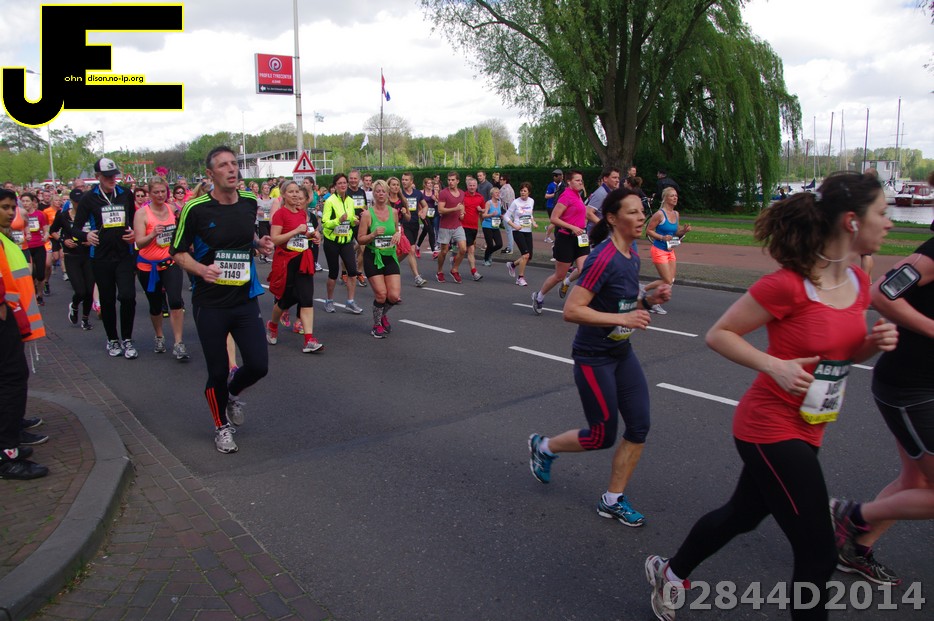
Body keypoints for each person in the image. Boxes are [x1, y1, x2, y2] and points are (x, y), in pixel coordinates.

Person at [645, 172, 897, 621]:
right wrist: (774, 365)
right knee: (819, 555)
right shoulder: (788, 285)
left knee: (742, 515)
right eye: (882, 212)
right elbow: (719, 334)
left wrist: (871, 346)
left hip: (812, 423)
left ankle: (672, 572)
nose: (890, 222)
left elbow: (841, 355)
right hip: (770, 427)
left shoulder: (859, 283)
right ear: (852, 221)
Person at [528, 188, 672, 528]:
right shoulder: (602, 258)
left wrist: (647, 301)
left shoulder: (631, 253)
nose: (641, 217)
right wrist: (624, 318)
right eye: (633, 212)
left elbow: (620, 302)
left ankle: (612, 500)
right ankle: (544, 447)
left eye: (641, 211)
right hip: (594, 357)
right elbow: (572, 310)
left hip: (621, 352)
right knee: (601, 436)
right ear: (612, 218)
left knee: (639, 425)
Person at [829, 223, 934, 586]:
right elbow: (882, 293)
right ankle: (852, 514)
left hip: (923, 383)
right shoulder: (931, 254)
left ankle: (855, 549)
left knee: (915, 480)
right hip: (912, 387)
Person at [170, 146, 273, 454]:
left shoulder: (249, 201)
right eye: (223, 165)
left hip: (244, 298)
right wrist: (201, 270)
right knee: (216, 371)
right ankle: (221, 426)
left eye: (234, 163)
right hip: (210, 302)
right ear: (210, 174)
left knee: (258, 365)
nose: (231, 169)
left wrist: (258, 243)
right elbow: (177, 253)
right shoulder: (196, 208)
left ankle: (231, 393)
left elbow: (243, 237)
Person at [0, 187, 48, 479]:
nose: (11, 212)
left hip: (12, 317)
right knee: (12, 379)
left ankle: (11, 438)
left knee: (13, 378)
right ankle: (7, 454)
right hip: (5, 317)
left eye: (12, 207)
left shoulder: (4, 238)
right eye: (5, 207)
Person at [72, 158, 139, 359]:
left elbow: (135, 219)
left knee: (128, 296)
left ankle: (127, 338)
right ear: (98, 176)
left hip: (124, 254)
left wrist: (135, 233)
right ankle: (112, 339)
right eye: (108, 176)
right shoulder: (88, 198)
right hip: (101, 257)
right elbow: (75, 228)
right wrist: (86, 236)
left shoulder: (125, 193)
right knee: (107, 300)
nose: (112, 179)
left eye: (114, 175)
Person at [133, 176, 189, 360]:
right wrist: (152, 235)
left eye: (163, 191)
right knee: (155, 305)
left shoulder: (172, 209)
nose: (160, 195)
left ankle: (178, 342)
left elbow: (182, 228)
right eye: (156, 192)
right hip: (148, 267)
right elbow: (139, 243)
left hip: (170, 262)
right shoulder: (142, 214)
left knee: (175, 301)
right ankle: (159, 336)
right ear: (149, 194)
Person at [264, 180, 323, 353]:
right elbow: (275, 239)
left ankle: (309, 340)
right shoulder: (280, 214)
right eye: (291, 192)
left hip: (303, 259)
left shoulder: (302, 213)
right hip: (286, 261)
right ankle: (273, 325)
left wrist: (313, 235)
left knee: (306, 298)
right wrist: (295, 231)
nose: (295, 195)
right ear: (283, 195)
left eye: (297, 191)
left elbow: (303, 234)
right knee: (285, 299)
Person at [531, 171, 599, 315]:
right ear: (569, 182)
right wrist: (572, 227)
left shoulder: (578, 195)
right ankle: (539, 296)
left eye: (581, 180)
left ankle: (581, 300)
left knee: (584, 270)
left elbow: (581, 214)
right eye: (577, 180)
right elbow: (554, 219)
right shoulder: (566, 196)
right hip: (566, 238)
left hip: (580, 238)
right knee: (559, 275)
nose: (581, 182)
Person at [558, 167, 622, 298]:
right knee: (590, 267)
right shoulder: (601, 194)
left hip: (607, 235)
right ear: (605, 179)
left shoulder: (611, 193)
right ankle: (584, 295)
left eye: (618, 178)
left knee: (591, 267)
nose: (617, 180)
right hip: (597, 236)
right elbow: (588, 213)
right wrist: (605, 225)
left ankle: (568, 282)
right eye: (614, 177)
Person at [358, 179, 402, 338]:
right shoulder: (367, 214)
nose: (381, 194)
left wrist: (398, 234)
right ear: (374, 194)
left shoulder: (394, 212)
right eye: (378, 191)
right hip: (373, 256)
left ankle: (382, 314)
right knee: (381, 294)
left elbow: (396, 229)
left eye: (383, 191)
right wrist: (373, 234)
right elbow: (360, 239)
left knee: (394, 296)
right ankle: (376, 325)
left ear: (388, 193)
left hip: (390, 255)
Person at [51, 188, 94, 330]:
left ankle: (85, 319)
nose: (78, 204)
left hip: (87, 256)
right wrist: (63, 240)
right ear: (71, 202)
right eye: (76, 202)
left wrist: (91, 240)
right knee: (80, 291)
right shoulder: (63, 216)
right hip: (72, 256)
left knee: (89, 291)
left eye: (81, 201)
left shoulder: (90, 215)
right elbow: (53, 231)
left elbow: (99, 230)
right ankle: (74, 306)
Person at [321, 173, 364, 314]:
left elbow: (350, 218)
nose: (343, 185)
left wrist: (354, 220)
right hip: (332, 241)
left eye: (344, 182)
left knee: (352, 271)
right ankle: (329, 300)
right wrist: (338, 220)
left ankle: (350, 301)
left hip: (346, 240)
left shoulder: (350, 201)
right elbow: (325, 223)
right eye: (339, 183)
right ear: (335, 186)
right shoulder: (330, 201)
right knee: (333, 273)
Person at [644, 187, 691, 315]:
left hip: (670, 250)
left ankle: (651, 298)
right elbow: (648, 231)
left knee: (671, 280)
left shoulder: (676, 214)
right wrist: (662, 237)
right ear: (665, 198)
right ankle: (646, 292)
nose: (675, 198)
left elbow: (675, 233)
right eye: (672, 196)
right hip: (659, 250)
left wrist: (684, 231)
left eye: (676, 196)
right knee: (667, 280)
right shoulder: (659, 214)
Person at [435, 171, 467, 283]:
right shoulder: (444, 193)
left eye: (453, 180)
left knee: (463, 249)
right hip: (445, 226)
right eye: (449, 180)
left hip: (457, 225)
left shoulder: (462, 193)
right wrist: (455, 209)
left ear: (458, 181)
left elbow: (462, 206)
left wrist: (462, 213)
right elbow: (440, 210)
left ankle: (454, 269)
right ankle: (439, 271)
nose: (450, 182)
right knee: (444, 251)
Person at [397, 173, 428, 287]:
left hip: (415, 224)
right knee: (411, 250)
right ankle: (417, 277)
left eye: (406, 180)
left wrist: (423, 212)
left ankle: (391, 265)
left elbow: (425, 205)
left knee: (406, 251)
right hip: (404, 224)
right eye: (402, 179)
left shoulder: (417, 193)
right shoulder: (399, 193)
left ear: (411, 181)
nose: (404, 181)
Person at [20, 192, 50, 306]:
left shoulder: (40, 214)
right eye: (23, 201)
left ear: (33, 202)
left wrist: (46, 236)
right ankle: (33, 295)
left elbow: (46, 229)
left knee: (40, 274)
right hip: (25, 247)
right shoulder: (19, 215)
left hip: (38, 246)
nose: (25, 203)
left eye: (27, 201)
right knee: (31, 274)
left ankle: (40, 294)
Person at [504, 182, 536, 286]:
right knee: (525, 255)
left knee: (529, 257)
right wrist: (514, 225)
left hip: (528, 231)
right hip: (518, 231)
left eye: (525, 191)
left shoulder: (531, 201)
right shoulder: (515, 202)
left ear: (529, 192)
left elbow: (530, 214)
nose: (522, 192)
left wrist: (533, 222)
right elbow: (506, 216)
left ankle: (512, 265)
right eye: (521, 190)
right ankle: (520, 278)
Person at [461, 176, 484, 281]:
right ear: (467, 186)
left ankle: (454, 259)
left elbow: (483, 212)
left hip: (474, 227)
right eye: (470, 185)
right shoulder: (462, 196)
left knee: (466, 250)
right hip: (463, 226)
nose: (472, 187)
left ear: (476, 186)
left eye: (474, 185)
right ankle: (474, 272)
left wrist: (481, 211)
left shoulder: (480, 197)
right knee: (470, 249)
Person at [479, 186, 504, 265]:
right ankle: (486, 260)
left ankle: (488, 253)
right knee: (490, 244)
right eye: (496, 193)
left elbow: (498, 213)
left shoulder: (499, 203)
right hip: (487, 226)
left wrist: (501, 216)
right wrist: (491, 214)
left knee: (499, 244)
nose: (498, 194)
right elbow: (484, 215)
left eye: (498, 193)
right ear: (492, 194)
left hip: (495, 226)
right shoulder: (488, 203)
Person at [416, 176, 438, 258]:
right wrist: (420, 211)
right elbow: (418, 202)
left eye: (431, 183)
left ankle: (417, 247)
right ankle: (434, 251)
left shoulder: (435, 192)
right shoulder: (421, 192)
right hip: (424, 215)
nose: (430, 184)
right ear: (425, 184)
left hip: (432, 214)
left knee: (425, 231)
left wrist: (435, 199)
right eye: (428, 183)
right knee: (431, 231)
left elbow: (439, 202)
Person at [543, 169, 565, 243]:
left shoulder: (562, 185)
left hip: (557, 206)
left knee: (556, 222)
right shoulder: (551, 185)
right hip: (551, 206)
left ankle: (548, 228)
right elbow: (546, 196)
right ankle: (547, 237)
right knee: (555, 222)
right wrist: (555, 193)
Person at [499, 173, 516, 254]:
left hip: (507, 212)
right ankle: (510, 247)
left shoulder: (504, 189)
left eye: (501, 179)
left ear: (505, 180)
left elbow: (502, 201)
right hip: (511, 211)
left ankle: (510, 248)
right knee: (510, 230)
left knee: (509, 231)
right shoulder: (510, 188)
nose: (500, 181)